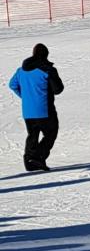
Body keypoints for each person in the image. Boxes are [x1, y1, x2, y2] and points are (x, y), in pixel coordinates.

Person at [9, 43, 63, 172]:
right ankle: (37, 157)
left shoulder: (21, 70)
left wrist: (25, 97)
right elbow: (58, 89)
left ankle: (29, 161)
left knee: (32, 135)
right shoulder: (46, 70)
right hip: (45, 109)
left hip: (28, 111)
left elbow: (12, 85)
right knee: (51, 132)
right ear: (45, 55)